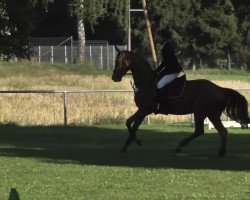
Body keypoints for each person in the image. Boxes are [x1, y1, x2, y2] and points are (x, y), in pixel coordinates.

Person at [155, 41, 184, 110]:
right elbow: (163, 64)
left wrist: (158, 71)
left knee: (159, 84)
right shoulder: (168, 50)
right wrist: (156, 71)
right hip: (173, 71)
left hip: (173, 72)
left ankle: (162, 104)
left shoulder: (168, 51)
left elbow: (166, 65)